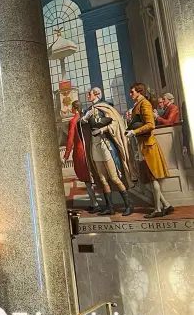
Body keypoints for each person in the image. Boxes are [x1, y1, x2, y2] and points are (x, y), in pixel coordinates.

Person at [80, 87, 134, 216]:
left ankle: (128, 204)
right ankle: (110, 207)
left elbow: (114, 124)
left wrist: (102, 130)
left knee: (114, 177)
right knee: (102, 178)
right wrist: (84, 119)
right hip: (95, 145)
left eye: (90, 94)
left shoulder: (106, 107)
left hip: (105, 144)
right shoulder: (89, 110)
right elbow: (82, 124)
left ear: (96, 94)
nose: (88, 96)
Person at [127, 83, 174, 218]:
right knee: (149, 179)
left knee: (152, 178)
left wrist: (134, 132)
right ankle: (167, 205)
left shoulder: (144, 103)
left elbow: (150, 125)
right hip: (143, 145)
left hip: (148, 145)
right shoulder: (138, 104)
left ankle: (158, 209)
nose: (131, 94)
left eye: (132, 92)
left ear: (139, 91)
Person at [64, 100, 99, 213]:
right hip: (89, 149)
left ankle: (95, 203)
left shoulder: (73, 121)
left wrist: (66, 155)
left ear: (74, 108)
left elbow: (70, 140)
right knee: (92, 178)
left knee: (87, 180)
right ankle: (95, 203)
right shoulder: (85, 118)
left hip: (80, 152)